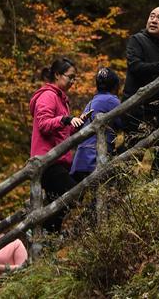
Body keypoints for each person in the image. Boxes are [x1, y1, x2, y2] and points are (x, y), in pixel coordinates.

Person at [29, 58, 87, 232]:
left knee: (62, 201)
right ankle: (44, 229)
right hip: (48, 161)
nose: (72, 82)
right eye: (70, 77)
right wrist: (66, 119)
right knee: (74, 194)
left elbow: (62, 132)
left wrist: (75, 125)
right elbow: (44, 125)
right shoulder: (48, 95)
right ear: (57, 75)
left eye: (74, 78)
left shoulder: (62, 99)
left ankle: (49, 234)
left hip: (59, 160)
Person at [121, 8, 159, 138]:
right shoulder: (137, 40)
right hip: (135, 106)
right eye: (152, 16)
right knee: (131, 152)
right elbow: (135, 67)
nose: (154, 20)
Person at [70, 67, 122, 182]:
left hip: (81, 157)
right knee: (102, 193)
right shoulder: (112, 100)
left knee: (79, 196)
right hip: (95, 156)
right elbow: (122, 123)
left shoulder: (92, 102)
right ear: (115, 86)